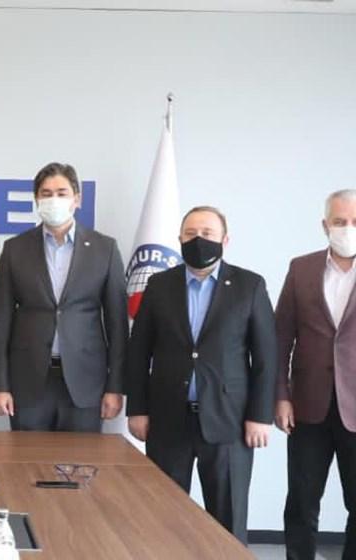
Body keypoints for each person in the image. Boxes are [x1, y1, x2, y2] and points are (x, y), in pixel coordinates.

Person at [126, 206, 276, 544]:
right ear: (179, 238)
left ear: (225, 239)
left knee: (227, 521)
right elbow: (138, 352)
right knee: (162, 517)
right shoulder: (159, 285)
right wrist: (137, 409)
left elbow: (266, 357)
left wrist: (260, 416)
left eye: (207, 233)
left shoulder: (249, 285)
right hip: (168, 420)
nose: (199, 240)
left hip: (229, 422)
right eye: (191, 233)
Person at [0, 162, 128, 432]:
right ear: (36, 200)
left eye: (62, 193)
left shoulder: (105, 249)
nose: (54, 199)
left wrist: (115, 387)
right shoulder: (15, 249)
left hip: (86, 382)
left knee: (81, 458)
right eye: (46, 193)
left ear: (77, 199)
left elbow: (118, 326)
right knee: (27, 456)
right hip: (28, 381)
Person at [276, 189, 356, 559]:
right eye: (340, 221)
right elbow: (280, 338)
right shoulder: (301, 269)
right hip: (307, 407)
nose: (347, 228)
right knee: (301, 503)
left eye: (354, 221)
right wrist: (281, 396)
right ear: (325, 225)